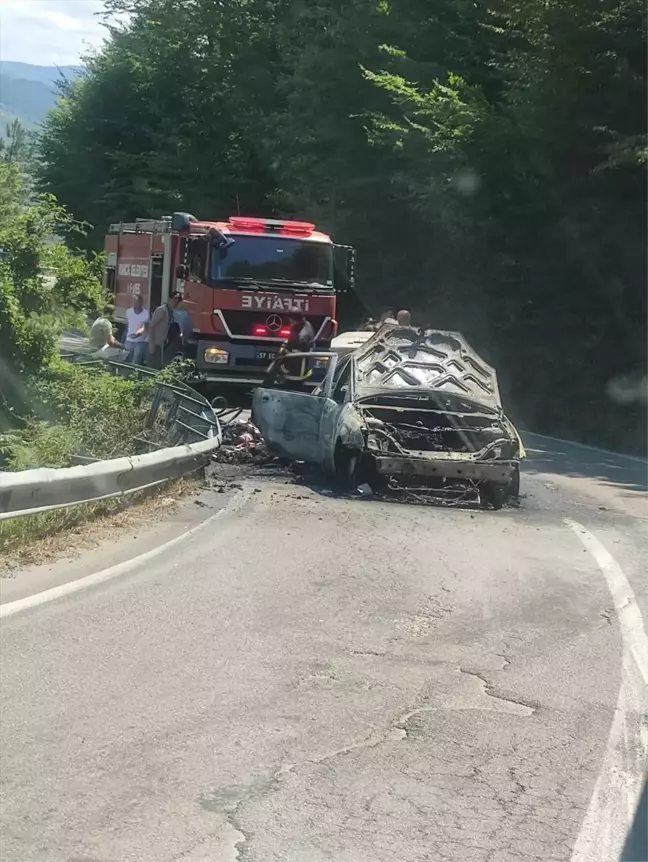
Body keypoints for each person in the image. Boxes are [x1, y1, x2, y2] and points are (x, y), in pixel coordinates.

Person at [147, 291, 183, 369]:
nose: (175, 303)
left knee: (159, 366)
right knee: (152, 367)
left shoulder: (170, 312)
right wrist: (151, 344)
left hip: (161, 344)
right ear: (169, 299)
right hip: (155, 343)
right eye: (174, 300)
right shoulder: (162, 310)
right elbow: (151, 326)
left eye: (177, 301)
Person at [124, 293, 150, 365]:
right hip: (129, 340)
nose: (135, 304)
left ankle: (133, 375)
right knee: (127, 360)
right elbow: (127, 325)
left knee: (135, 361)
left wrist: (137, 334)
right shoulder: (128, 312)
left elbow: (144, 327)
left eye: (137, 302)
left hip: (140, 341)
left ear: (141, 303)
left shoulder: (146, 314)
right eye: (134, 302)